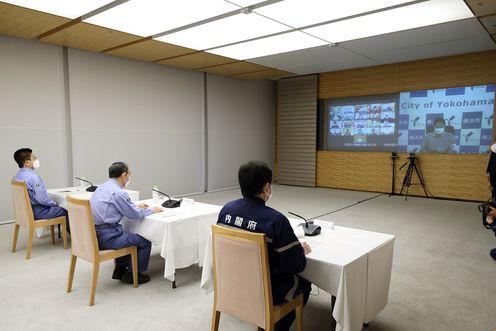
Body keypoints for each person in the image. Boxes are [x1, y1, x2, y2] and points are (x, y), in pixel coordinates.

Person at [217, 161, 312, 331]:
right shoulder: (276, 221)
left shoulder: (226, 210)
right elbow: (294, 265)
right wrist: (299, 250)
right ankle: (271, 325)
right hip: (265, 293)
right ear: (267, 187)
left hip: (231, 285)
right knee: (304, 283)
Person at [90, 162, 162, 284]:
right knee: (144, 241)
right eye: (129, 175)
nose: (129, 178)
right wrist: (152, 210)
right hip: (107, 237)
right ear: (124, 175)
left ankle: (120, 269)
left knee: (126, 234)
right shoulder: (119, 193)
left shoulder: (102, 187)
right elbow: (134, 215)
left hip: (93, 235)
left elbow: (114, 206)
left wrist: (134, 205)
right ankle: (133, 274)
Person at [13, 148, 69, 230]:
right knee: (69, 209)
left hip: (26, 213)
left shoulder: (17, 177)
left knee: (59, 204)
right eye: (34, 158)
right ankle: (76, 237)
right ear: (27, 163)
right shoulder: (33, 178)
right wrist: (54, 203)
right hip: (40, 213)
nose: (36, 159)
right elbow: (42, 198)